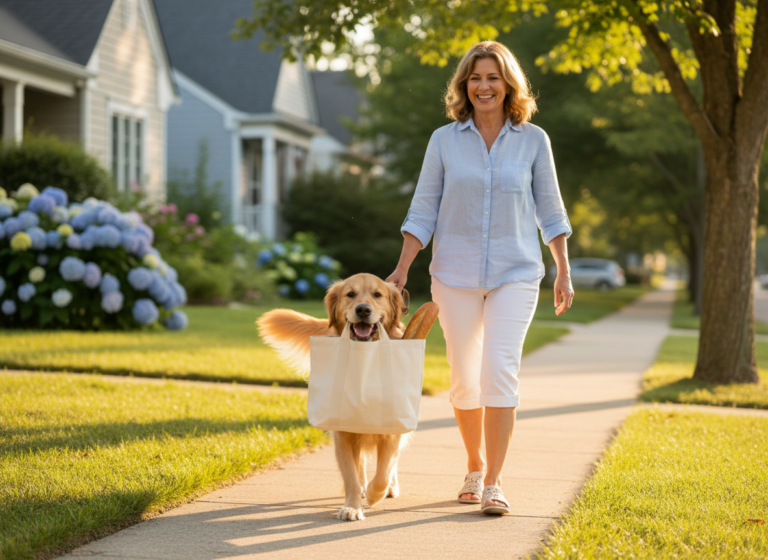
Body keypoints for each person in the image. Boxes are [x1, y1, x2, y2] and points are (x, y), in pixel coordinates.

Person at [386, 41, 573, 515]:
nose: (483, 86)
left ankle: (494, 482)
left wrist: (563, 270)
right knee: (465, 378)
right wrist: (403, 267)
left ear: (508, 84)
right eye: (475, 78)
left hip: (516, 273)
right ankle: (473, 466)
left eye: (492, 77)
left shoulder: (534, 140)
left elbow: (550, 210)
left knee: (499, 370)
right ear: (464, 86)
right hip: (454, 274)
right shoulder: (443, 141)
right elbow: (423, 208)